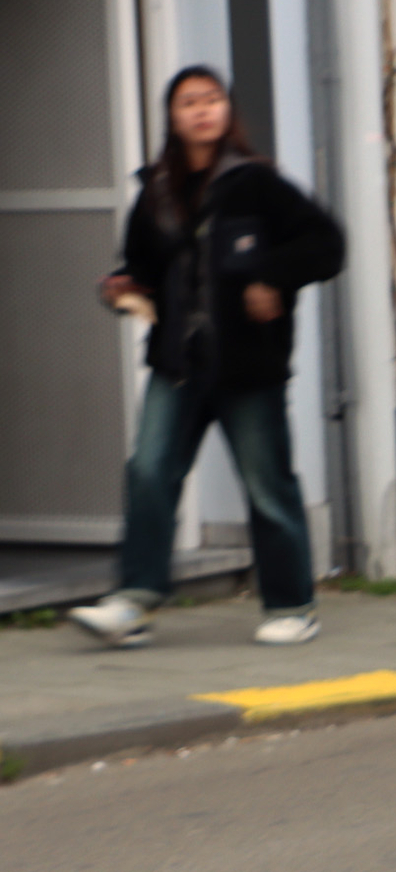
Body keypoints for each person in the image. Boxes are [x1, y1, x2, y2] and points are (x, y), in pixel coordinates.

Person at [67, 67, 345, 649]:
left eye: (212, 100)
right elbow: (138, 265)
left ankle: (293, 605)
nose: (202, 111)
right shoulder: (158, 191)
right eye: (189, 102)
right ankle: (133, 602)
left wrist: (273, 276)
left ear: (226, 111)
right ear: (172, 117)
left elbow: (326, 243)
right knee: (149, 473)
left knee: (267, 484)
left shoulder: (258, 184)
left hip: (248, 366)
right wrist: (119, 288)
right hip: (177, 363)